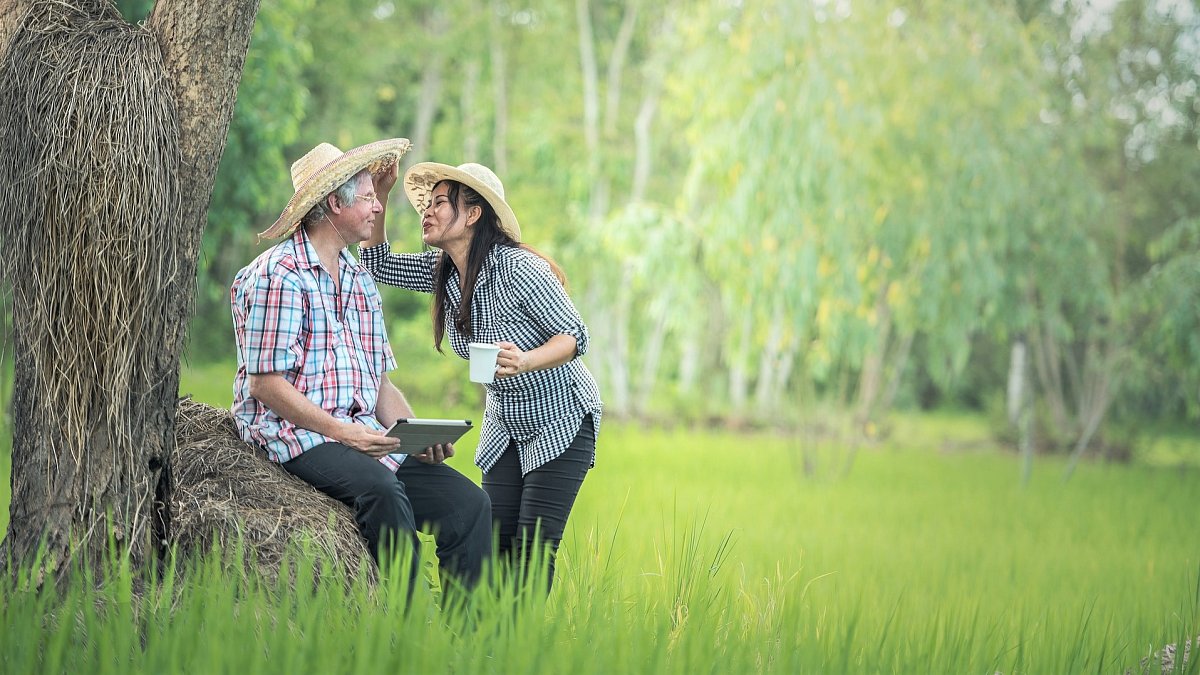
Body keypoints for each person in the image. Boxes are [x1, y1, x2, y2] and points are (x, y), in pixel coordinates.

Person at [230, 139, 491, 592]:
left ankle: (464, 645)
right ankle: (404, 632)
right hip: (298, 434)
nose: (377, 207)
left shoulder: (357, 279)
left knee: (468, 505)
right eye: (370, 196)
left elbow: (379, 382)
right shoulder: (281, 275)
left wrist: (415, 433)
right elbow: (265, 385)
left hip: (359, 433)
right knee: (382, 493)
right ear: (335, 203)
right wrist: (340, 430)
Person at [359, 161, 602, 591]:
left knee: (531, 552)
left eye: (438, 203)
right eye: (426, 205)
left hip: (560, 419)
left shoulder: (517, 268)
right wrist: (380, 195)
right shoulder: (445, 272)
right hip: (505, 422)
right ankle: (485, 648)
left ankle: (520, 650)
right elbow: (377, 266)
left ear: (472, 214)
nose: (426, 213)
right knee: (491, 545)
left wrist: (525, 360)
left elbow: (574, 336)